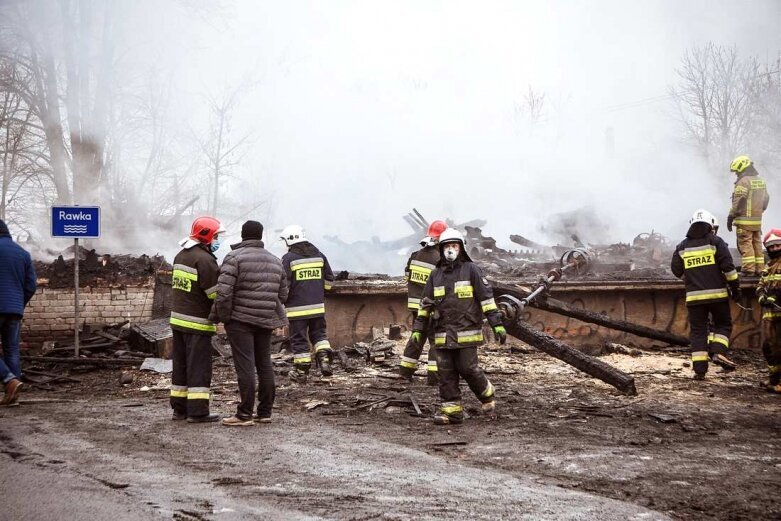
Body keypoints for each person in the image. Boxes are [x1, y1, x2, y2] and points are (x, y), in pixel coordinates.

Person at [411, 228, 506, 425]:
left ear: (461, 248)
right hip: (442, 334)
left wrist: (497, 324)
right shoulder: (435, 274)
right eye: (447, 246)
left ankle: (487, 394)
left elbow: (486, 299)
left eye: (454, 246)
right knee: (445, 373)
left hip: (466, 332)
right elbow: (425, 305)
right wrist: (418, 330)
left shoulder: (472, 270)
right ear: (441, 249)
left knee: (468, 369)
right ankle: (452, 413)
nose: (450, 250)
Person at [212, 221, 289, 426]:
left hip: (240, 320)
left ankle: (244, 414)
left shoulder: (234, 257)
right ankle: (265, 412)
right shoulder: (275, 261)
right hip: (265, 320)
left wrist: (225, 317)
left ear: (243, 236)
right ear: (261, 236)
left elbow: (223, 293)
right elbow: (283, 294)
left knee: (245, 365)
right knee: (264, 364)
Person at [671, 209, 740, 379]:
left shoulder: (682, 246)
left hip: (694, 298)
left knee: (698, 332)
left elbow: (676, 270)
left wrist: (691, 277)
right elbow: (728, 268)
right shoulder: (715, 242)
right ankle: (718, 352)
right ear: (710, 226)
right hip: (718, 296)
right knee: (723, 324)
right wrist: (735, 288)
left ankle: (700, 371)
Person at [170, 216, 224, 423]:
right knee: (199, 367)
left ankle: (179, 409)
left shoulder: (180, 256)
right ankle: (198, 411)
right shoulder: (205, 260)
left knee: (181, 365)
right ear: (207, 236)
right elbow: (214, 294)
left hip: (178, 320)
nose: (218, 240)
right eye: (217, 236)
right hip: (197, 322)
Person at [280, 224, 335, 382]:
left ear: (290, 240)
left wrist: (283, 300)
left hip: (297, 310)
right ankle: (325, 362)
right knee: (319, 335)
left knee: (299, 339)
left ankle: (301, 372)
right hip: (317, 307)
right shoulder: (319, 255)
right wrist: (318, 291)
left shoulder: (288, 258)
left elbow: (285, 284)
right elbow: (329, 282)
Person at [399, 220, 447, 385]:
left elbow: (407, 276)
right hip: (432, 306)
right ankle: (434, 377)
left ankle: (405, 372)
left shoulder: (415, 255)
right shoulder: (439, 260)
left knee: (417, 336)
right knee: (436, 340)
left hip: (415, 305)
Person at [0, 219, 37, 406]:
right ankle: (13, 397)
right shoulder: (22, 253)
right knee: (12, 351)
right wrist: (18, 303)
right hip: (15, 309)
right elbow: (31, 285)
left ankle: (9, 379)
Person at [727, 155, 769, 276]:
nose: (736, 174)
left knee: (746, 244)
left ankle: (748, 269)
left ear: (742, 168)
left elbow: (738, 201)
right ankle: (760, 269)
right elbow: (766, 199)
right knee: (757, 244)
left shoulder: (743, 182)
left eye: (737, 171)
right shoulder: (760, 181)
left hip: (744, 221)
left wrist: (731, 216)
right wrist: (759, 211)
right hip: (757, 221)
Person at [755, 228, 781, 394]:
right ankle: (774, 380)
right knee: (768, 347)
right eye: (771, 247)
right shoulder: (768, 266)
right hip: (771, 316)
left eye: (778, 245)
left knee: (779, 349)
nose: (775, 249)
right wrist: (762, 296)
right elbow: (760, 285)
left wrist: (776, 297)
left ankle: (777, 382)